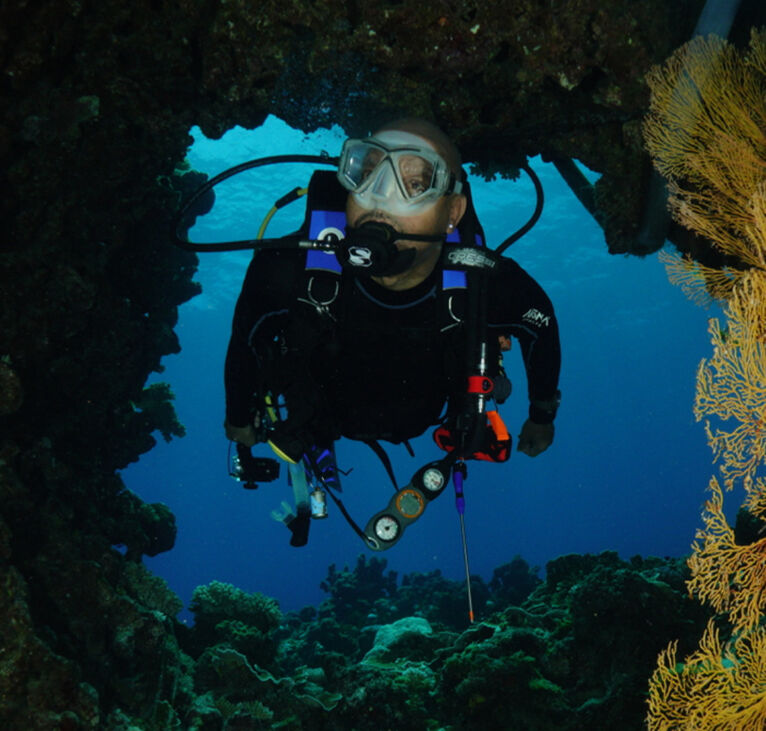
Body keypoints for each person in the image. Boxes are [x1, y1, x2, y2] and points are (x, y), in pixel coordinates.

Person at [224, 118, 560, 476]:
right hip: (320, 412)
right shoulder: (284, 270)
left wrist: (541, 417)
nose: (380, 196)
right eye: (366, 172)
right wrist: (238, 416)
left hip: (425, 415)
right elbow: (246, 342)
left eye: (415, 184)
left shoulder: (488, 284)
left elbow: (542, 327)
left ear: (453, 212)